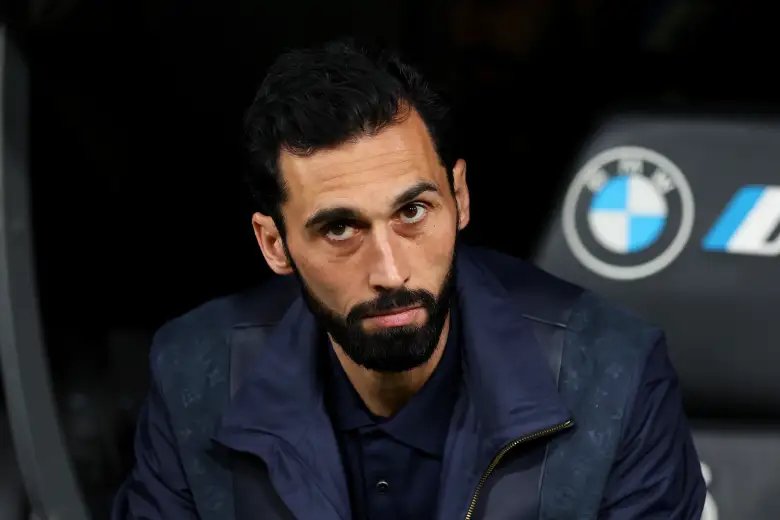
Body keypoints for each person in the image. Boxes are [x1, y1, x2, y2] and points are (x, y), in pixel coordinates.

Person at [112, 40, 705, 519]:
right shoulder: (198, 372)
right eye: (340, 229)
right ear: (275, 244)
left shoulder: (612, 373)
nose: (390, 271)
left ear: (460, 197)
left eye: (413, 212)